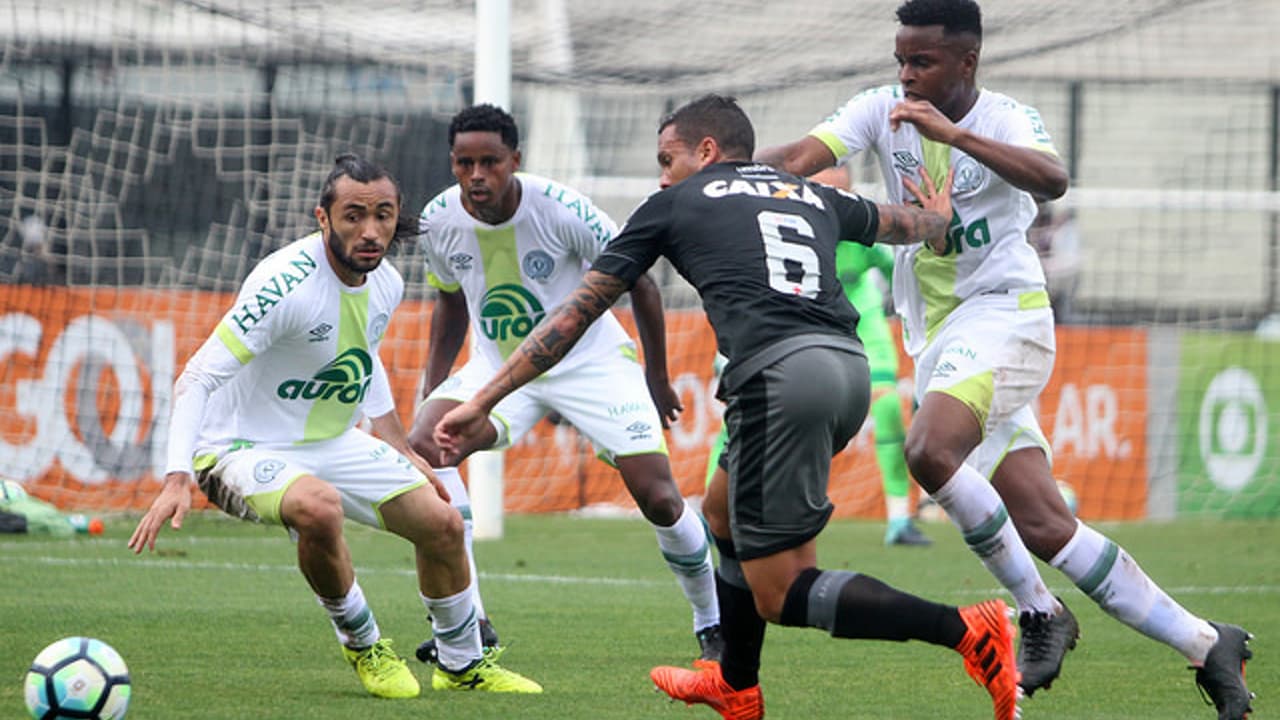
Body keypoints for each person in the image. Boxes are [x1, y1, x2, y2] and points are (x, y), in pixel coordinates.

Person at [432, 94, 1021, 720]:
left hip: (781, 380)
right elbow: (904, 225)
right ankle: (735, 684)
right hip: (846, 370)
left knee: (783, 592)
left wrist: (485, 399)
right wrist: (938, 216)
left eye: (668, 158)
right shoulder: (809, 192)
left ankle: (966, 629)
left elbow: (573, 316)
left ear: (707, 151)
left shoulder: (672, 204)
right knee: (720, 513)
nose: (661, 175)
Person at [754, 0, 1254, 716]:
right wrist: (731, 174)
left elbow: (1052, 179)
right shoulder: (881, 110)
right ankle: (1209, 644)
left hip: (1007, 317)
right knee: (1046, 525)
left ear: (967, 62)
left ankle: (1038, 612)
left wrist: (953, 135)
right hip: (938, 338)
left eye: (921, 61)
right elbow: (802, 159)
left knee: (929, 451)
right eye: (900, 60)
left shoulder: (1002, 118)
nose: (906, 76)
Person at [127, 154, 541, 698]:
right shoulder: (284, 284)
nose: (370, 232)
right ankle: (364, 642)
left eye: (384, 216)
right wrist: (177, 478)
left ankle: (461, 663)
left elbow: (362, 361)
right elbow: (196, 378)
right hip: (236, 448)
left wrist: (400, 447)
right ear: (322, 218)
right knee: (317, 507)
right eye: (353, 216)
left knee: (443, 524)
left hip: (330, 441)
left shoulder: (386, 282)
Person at [408, 104, 721, 666]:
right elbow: (450, 302)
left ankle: (712, 620)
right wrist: (433, 389)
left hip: (591, 363)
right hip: (501, 370)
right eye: (464, 163)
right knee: (427, 445)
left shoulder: (562, 208)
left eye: (489, 162)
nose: (476, 175)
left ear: (515, 161)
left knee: (658, 496)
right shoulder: (438, 219)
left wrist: (655, 374)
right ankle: (468, 620)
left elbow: (642, 285)